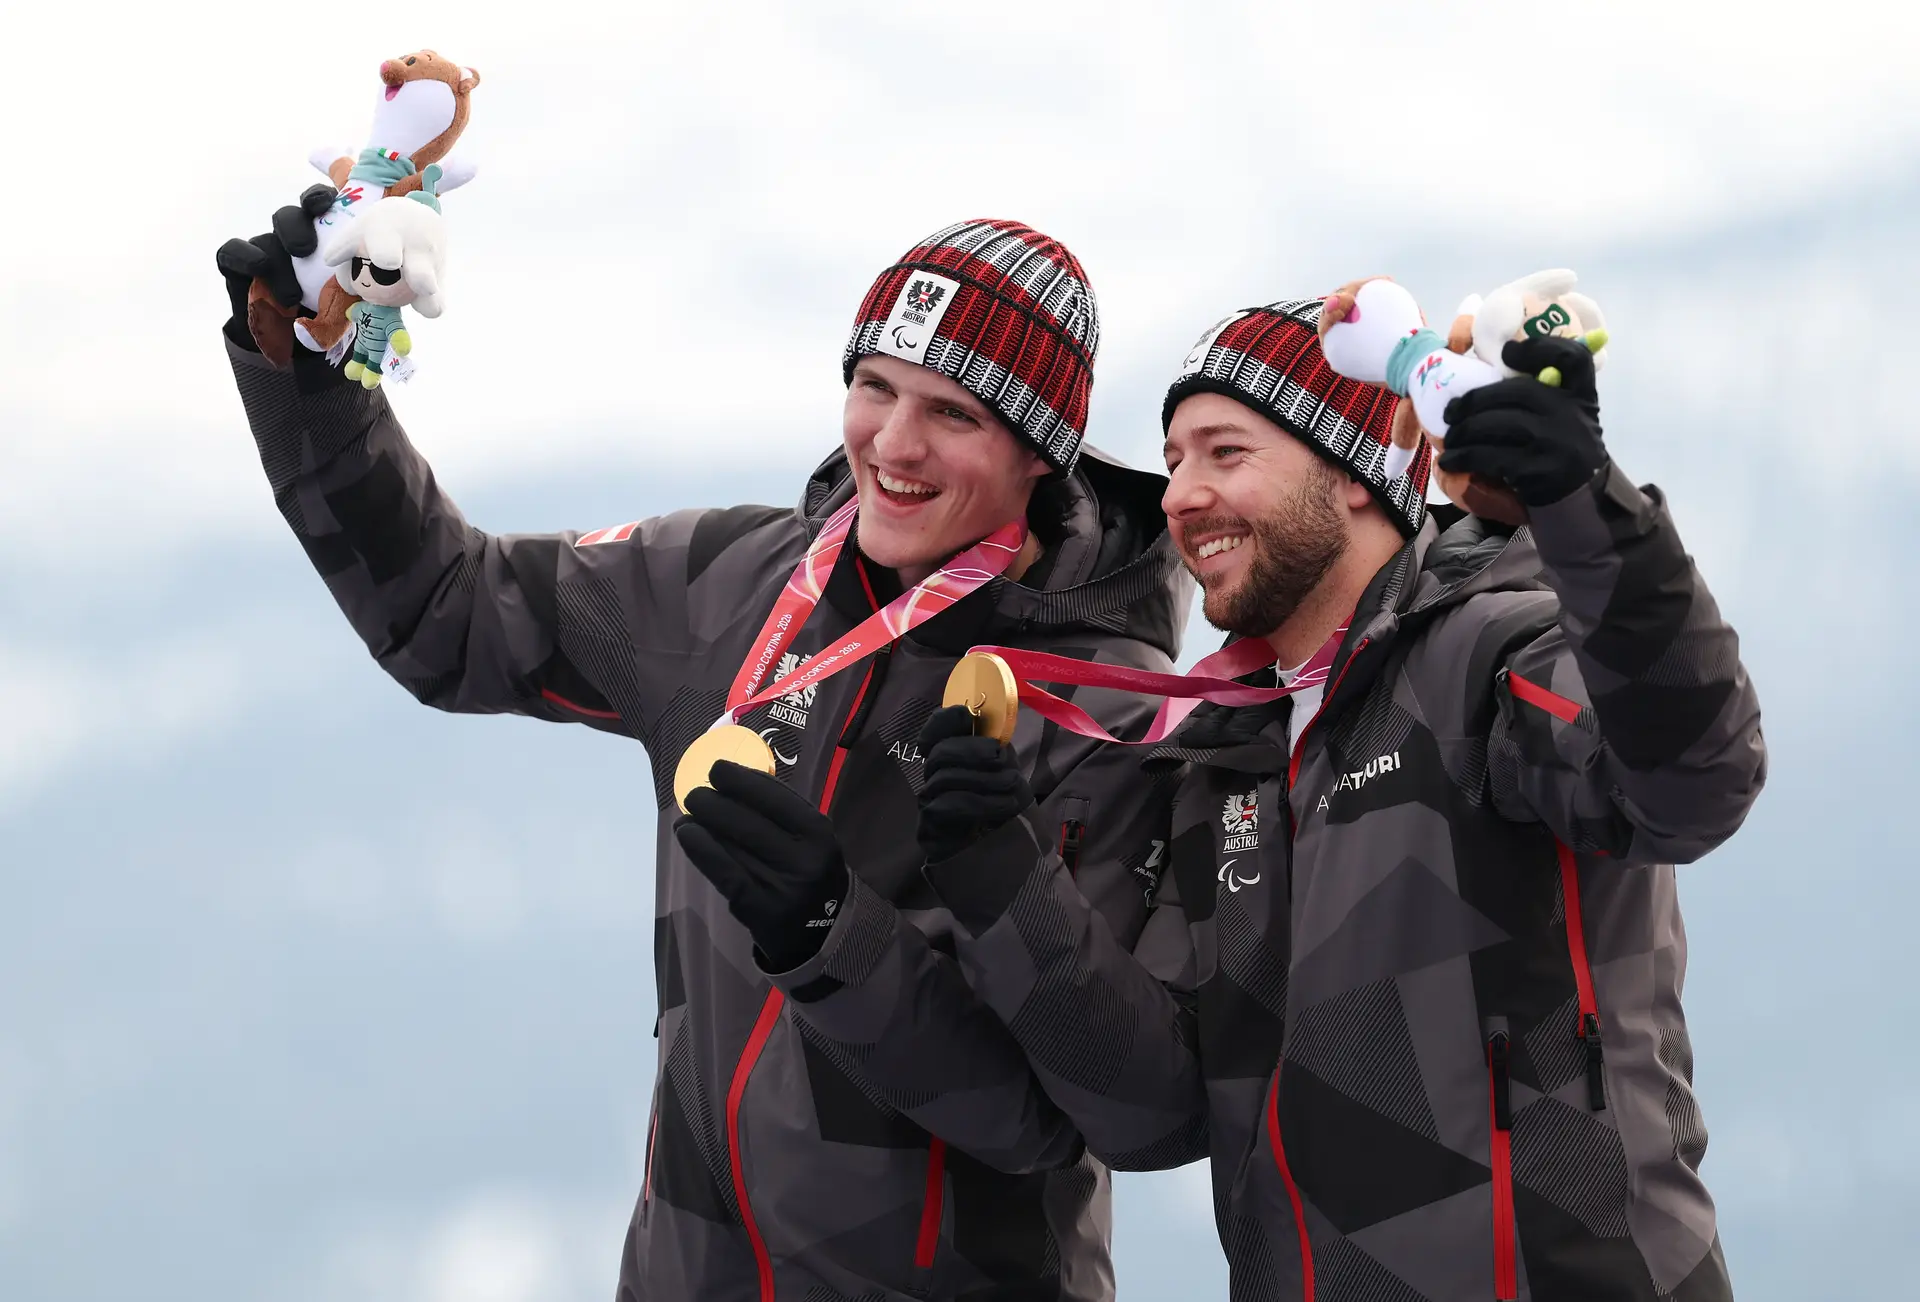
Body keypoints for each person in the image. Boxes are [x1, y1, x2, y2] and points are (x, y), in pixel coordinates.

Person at [215, 207, 1194, 1301]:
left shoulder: (1108, 706)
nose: (894, 443)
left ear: (1038, 453)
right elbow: (450, 615)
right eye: (873, 386)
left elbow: (1047, 1119)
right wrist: (306, 378)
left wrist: (832, 938)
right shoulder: (732, 581)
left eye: (951, 413)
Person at [896, 294, 1767, 1300]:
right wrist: (1003, 878)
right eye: (1174, 461)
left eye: (1224, 452)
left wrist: (1587, 507)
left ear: (1353, 475)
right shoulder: (1224, 759)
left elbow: (1693, 779)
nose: (1179, 495)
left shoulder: (1493, 656)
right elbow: (1154, 1110)